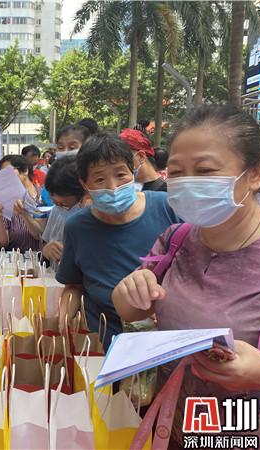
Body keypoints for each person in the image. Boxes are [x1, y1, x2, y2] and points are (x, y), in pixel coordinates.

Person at [112, 104, 260, 448]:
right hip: (174, 428)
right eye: (177, 172)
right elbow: (132, 309)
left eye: (205, 170)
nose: (189, 183)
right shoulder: (175, 239)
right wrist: (128, 290)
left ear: (255, 174)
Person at [56, 134, 180, 349]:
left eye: (121, 175)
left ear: (133, 172)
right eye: (100, 180)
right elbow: (74, 286)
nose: (113, 187)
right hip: (104, 343)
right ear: (84, 184)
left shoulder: (166, 207)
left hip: (164, 341)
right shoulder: (77, 227)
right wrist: (63, 321)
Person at [0, 155, 43, 252]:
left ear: (25, 171)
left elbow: (39, 235)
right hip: (13, 259)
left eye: (8, 172)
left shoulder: (42, 196)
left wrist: (24, 214)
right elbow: (1, 244)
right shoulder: (3, 200)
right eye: (2, 174)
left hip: (40, 258)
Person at [40, 155, 86, 263]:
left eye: (63, 204)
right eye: (54, 201)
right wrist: (46, 250)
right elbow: (46, 242)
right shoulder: (56, 210)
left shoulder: (93, 217)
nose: (58, 206)